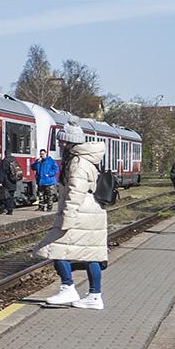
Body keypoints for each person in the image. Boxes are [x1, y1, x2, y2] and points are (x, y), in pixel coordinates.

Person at [38, 123, 109, 310]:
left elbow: (75, 192)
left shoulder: (77, 163)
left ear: (70, 142)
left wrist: (66, 218)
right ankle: (94, 296)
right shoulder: (87, 159)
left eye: (62, 141)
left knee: (55, 248)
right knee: (92, 254)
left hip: (79, 214)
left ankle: (67, 287)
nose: (59, 144)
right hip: (92, 213)